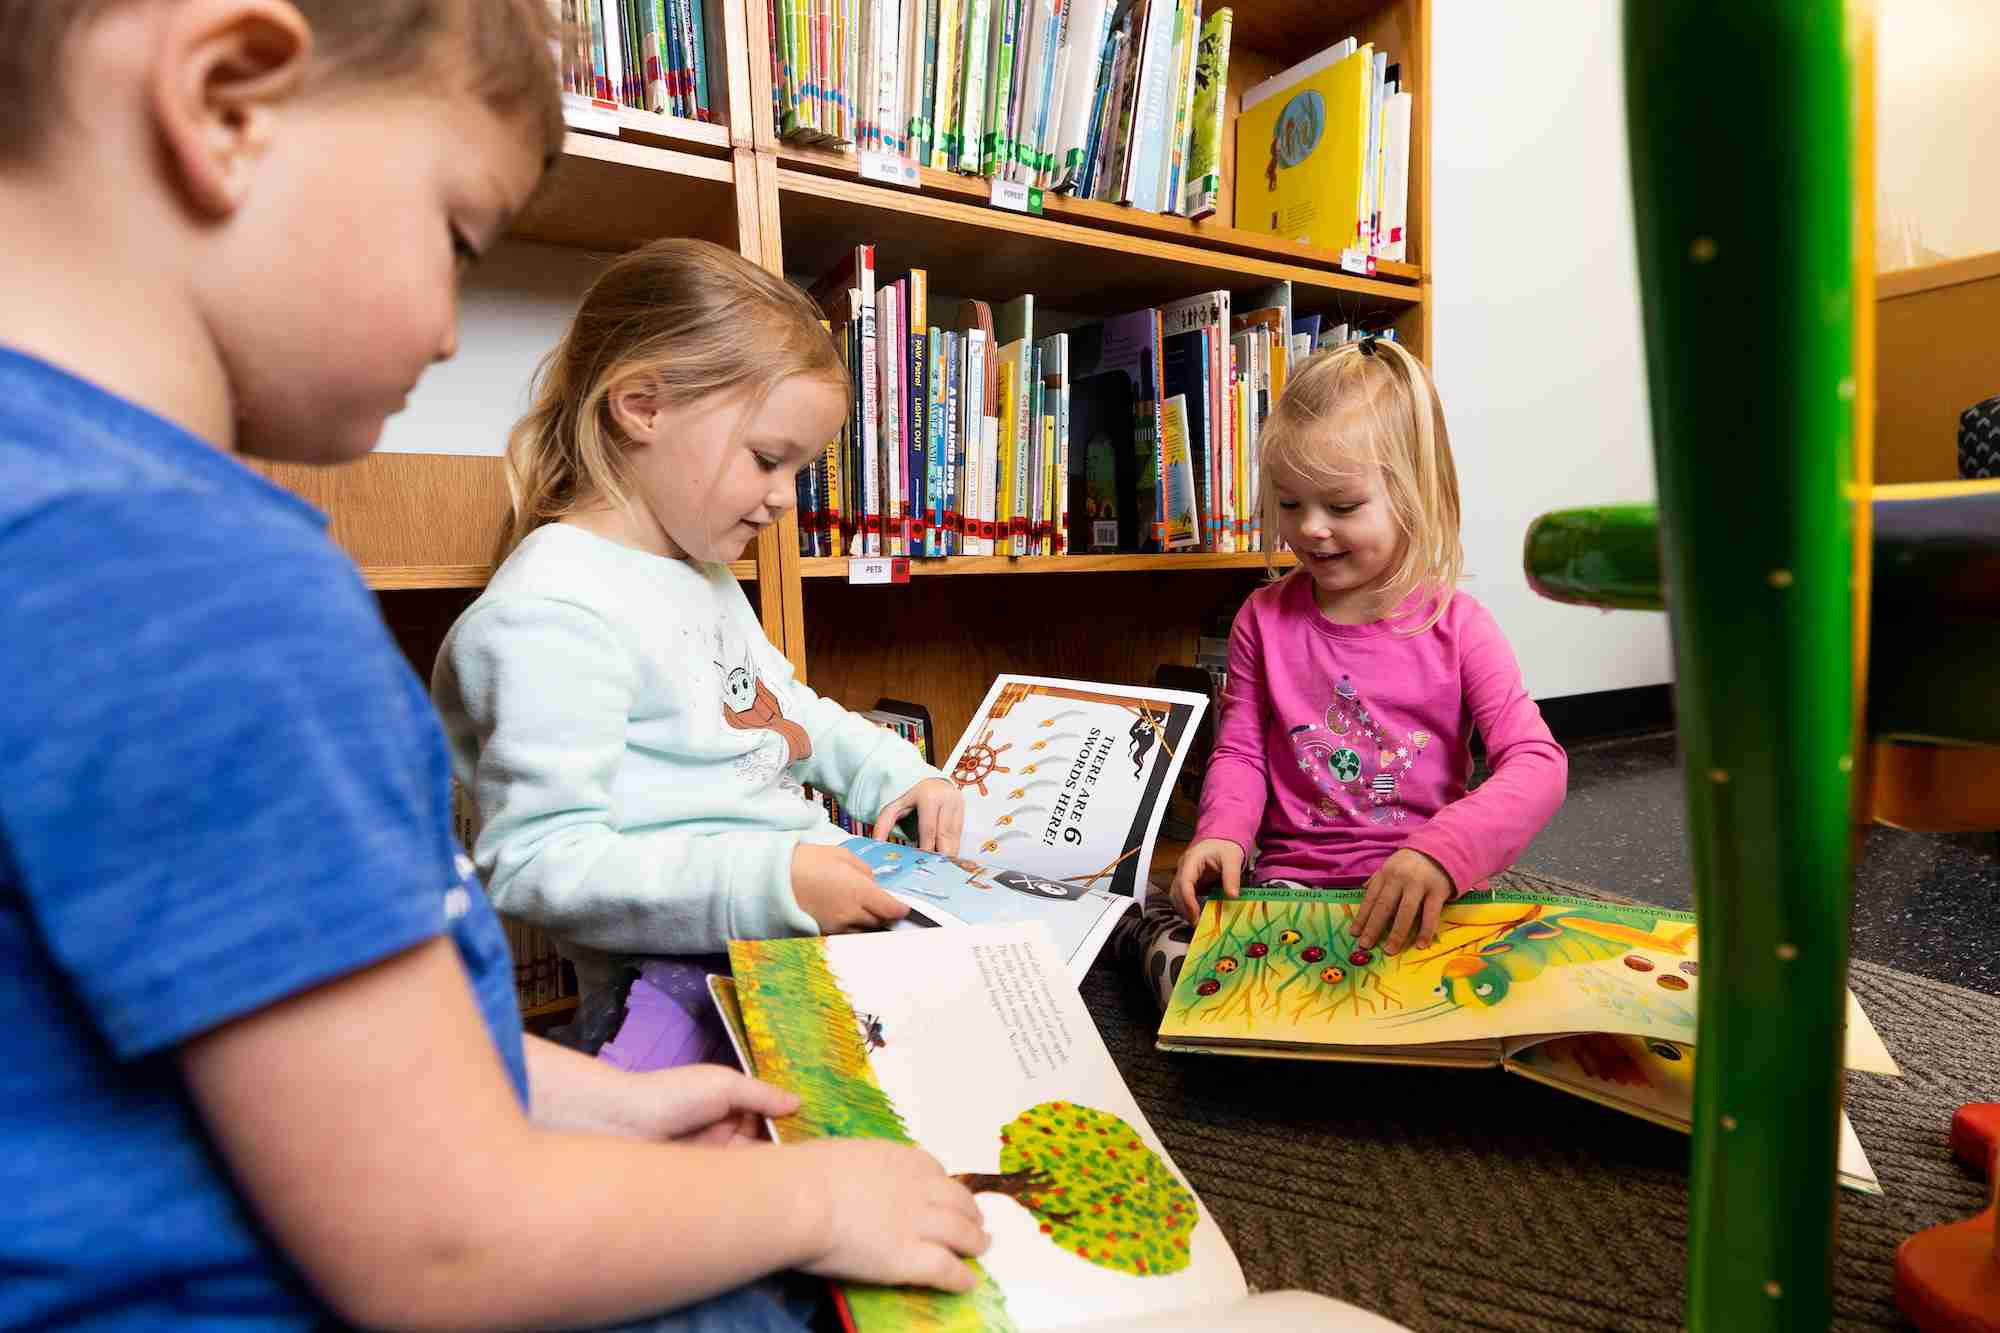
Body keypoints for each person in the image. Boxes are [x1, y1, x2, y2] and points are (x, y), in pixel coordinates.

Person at [0, 4, 986, 1330]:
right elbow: (445, 1240)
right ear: (228, 98)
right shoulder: (208, 590)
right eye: (458, 240)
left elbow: (285, 1060)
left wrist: (592, 1102)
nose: (460, 333)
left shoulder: (71, 520)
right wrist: (813, 1202)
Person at [431, 237, 965, 1013]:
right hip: (678, 987)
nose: (784, 497)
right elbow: (539, 862)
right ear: (642, 405)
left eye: (800, 470)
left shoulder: (699, 573)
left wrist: (897, 771)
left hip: (785, 923)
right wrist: (771, 886)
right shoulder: (547, 612)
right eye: (766, 458)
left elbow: (788, 713)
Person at [1132, 335, 1567, 1009]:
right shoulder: (1260, 619)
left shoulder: (1461, 625)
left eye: (1341, 506)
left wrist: (1443, 852)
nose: (1310, 529)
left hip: (1417, 892)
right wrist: (1222, 833)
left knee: (1506, 988)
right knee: (1164, 935)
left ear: (1413, 493)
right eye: (1289, 502)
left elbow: (1538, 763)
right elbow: (1242, 751)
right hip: (1287, 888)